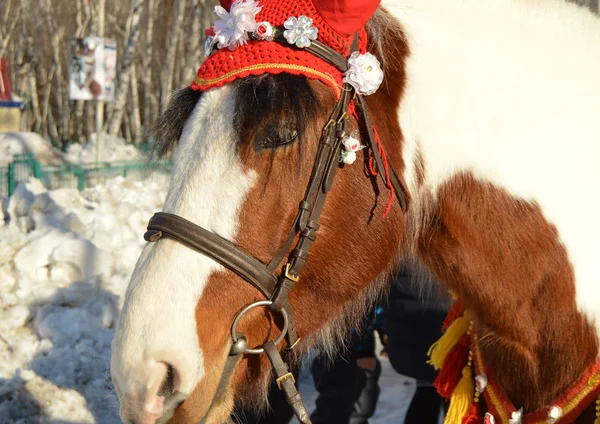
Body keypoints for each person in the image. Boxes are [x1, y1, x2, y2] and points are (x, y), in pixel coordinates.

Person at [384, 272, 449, 423]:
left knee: (427, 391)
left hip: (410, 335)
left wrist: (385, 329)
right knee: (453, 393)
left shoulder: (398, 250)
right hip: (447, 332)